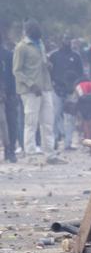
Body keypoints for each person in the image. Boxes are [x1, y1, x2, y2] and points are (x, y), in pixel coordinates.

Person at [13, 20, 61, 163]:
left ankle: (50, 154)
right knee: (31, 123)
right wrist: (31, 84)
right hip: (30, 91)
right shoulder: (21, 47)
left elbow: (42, 63)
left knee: (47, 122)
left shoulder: (40, 44)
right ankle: (31, 155)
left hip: (46, 88)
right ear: (26, 31)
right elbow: (17, 71)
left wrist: (48, 65)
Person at [48, 36, 83, 151]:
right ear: (60, 42)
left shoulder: (76, 56)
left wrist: (76, 88)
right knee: (55, 116)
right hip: (56, 89)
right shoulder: (53, 56)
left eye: (68, 39)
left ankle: (68, 143)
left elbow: (80, 74)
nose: (66, 42)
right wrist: (52, 85)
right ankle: (53, 142)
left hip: (71, 91)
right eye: (64, 39)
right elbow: (48, 72)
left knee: (70, 118)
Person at [0, 22, 18, 161]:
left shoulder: (8, 55)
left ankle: (10, 150)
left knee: (11, 123)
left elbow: (13, 75)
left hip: (10, 94)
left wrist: (11, 93)